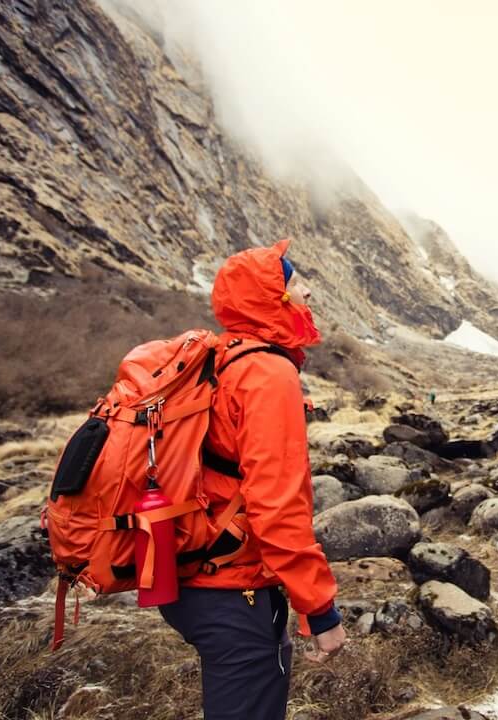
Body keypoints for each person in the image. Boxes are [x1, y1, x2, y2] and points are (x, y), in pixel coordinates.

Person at [159, 239, 346, 719]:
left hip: (188, 573)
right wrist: (320, 610)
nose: (308, 291)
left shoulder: (221, 359)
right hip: (228, 588)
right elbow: (277, 506)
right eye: (295, 281)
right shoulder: (267, 373)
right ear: (272, 296)